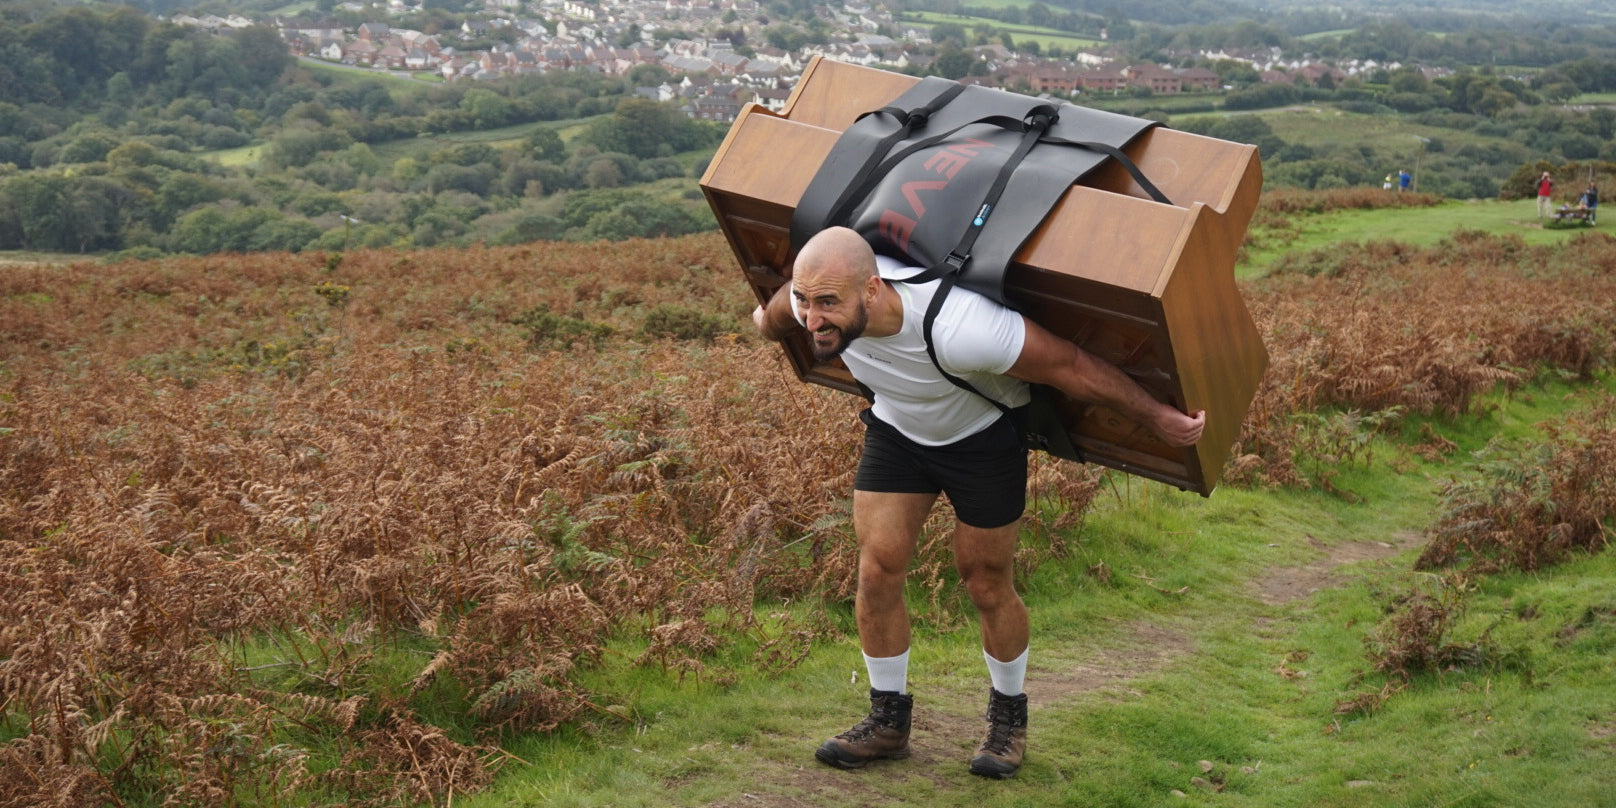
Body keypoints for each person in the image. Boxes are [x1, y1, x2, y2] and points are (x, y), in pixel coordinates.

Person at [752, 227, 1206, 779]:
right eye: (806, 300)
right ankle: (888, 721)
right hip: (898, 435)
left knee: (985, 579)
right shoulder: (807, 305)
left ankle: (1007, 719)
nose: (814, 318)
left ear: (872, 290)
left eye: (828, 303)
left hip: (983, 442)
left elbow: (1071, 366)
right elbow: (776, 312)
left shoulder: (961, 327)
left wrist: (1156, 416)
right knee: (876, 571)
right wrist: (770, 316)